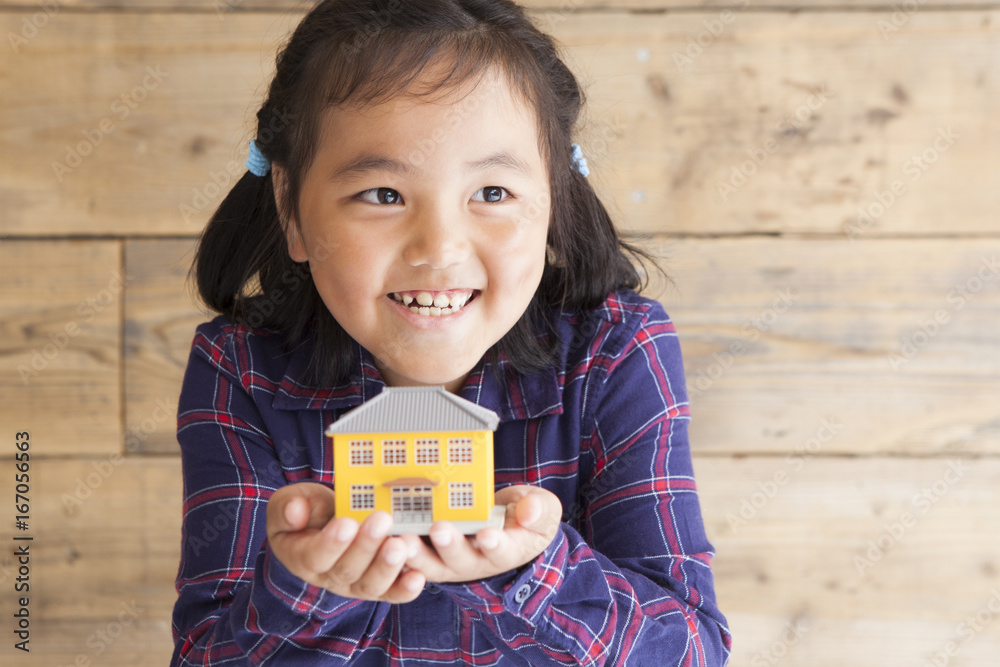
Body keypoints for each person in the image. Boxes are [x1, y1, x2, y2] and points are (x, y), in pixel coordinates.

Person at [171, 0, 731, 664]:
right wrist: (303, 588)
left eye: (492, 193)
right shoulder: (239, 369)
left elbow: (690, 650)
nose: (438, 248)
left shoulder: (613, 352)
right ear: (292, 208)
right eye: (383, 194)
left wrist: (533, 567)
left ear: (553, 201)